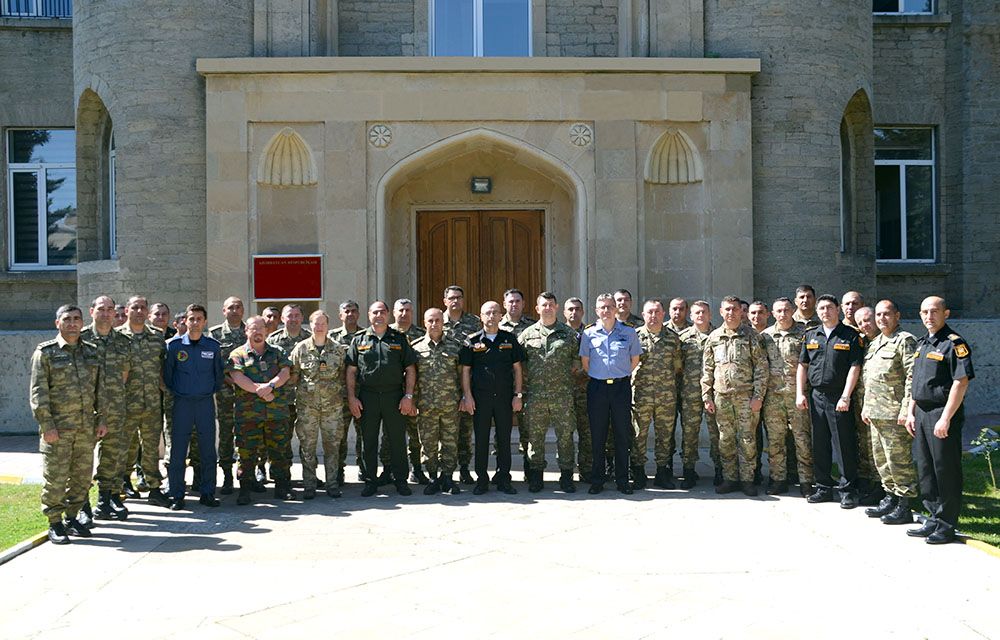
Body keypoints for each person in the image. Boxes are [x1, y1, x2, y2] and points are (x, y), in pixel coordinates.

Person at [30, 305, 106, 544]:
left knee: (82, 477)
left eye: (76, 319)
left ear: (82, 323)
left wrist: (101, 419)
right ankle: (55, 522)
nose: (72, 323)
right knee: (56, 478)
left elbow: (100, 390)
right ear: (58, 323)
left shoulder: (92, 352)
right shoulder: (46, 353)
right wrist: (47, 426)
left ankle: (72, 517)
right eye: (67, 319)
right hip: (58, 431)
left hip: (85, 429)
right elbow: (38, 394)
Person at [904, 296, 974, 545]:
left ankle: (947, 524)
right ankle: (933, 517)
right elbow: (916, 382)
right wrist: (911, 411)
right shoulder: (923, 343)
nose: (928, 316)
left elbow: (961, 381)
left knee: (945, 470)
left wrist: (945, 418)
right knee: (926, 469)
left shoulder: (953, 343)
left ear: (947, 313)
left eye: (934, 311)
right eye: (924, 312)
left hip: (941, 413)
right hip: (922, 413)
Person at [796, 294, 864, 508]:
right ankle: (823, 487)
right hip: (816, 396)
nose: (825, 311)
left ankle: (847, 490)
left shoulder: (850, 335)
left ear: (838, 310)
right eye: (822, 308)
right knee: (820, 443)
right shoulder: (810, 335)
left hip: (839, 397)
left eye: (829, 308)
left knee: (843, 444)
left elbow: (855, 366)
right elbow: (802, 366)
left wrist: (846, 395)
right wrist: (800, 393)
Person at [346, 301, 418, 497]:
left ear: (388, 315)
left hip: (393, 395)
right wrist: (352, 398)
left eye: (382, 312)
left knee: (397, 440)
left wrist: (408, 396)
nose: (379, 315)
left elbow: (410, 369)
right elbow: (351, 371)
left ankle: (401, 480)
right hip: (367, 396)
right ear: (369, 315)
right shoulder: (359, 340)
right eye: (375, 312)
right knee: (368, 440)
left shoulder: (399, 339)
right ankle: (370, 481)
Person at [701, 296, 768, 496]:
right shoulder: (713, 337)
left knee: (747, 439)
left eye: (735, 309)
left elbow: (761, 368)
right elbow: (707, 369)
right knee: (725, 439)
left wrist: (758, 396)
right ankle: (730, 478)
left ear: (741, 312)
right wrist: (707, 396)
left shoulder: (751, 336)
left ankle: (747, 480)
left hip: (746, 397)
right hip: (722, 397)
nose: (731, 313)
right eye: (727, 309)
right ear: (721, 312)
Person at [860, 299, 918, 525]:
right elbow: (869, 379)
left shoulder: (905, 341)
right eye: (878, 315)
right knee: (881, 460)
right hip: (875, 412)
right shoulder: (875, 343)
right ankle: (890, 497)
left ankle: (905, 505)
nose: (881, 319)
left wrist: (906, 410)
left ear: (897, 316)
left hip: (895, 414)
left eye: (886, 314)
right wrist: (866, 406)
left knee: (898, 460)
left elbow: (912, 378)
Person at [460, 300, 525, 495]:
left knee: (504, 439)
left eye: (495, 312)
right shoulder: (471, 341)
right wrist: (467, 397)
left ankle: (504, 478)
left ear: (500, 315)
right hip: (481, 399)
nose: (491, 316)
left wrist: (518, 395)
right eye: (487, 313)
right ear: (481, 316)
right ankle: (482, 479)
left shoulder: (509, 339)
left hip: (505, 398)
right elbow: (465, 371)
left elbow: (517, 369)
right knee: (481, 439)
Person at [228, 316, 295, 504]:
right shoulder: (238, 354)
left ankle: (282, 487)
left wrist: (271, 386)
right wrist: (262, 391)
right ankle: (245, 489)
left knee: (280, 452)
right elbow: (237, 378)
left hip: (276, 413)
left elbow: (285, 373)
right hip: (248, 414)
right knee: (246, 453)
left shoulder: (278, 352)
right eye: (253, 328)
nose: (257, 332)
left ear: (266, 331)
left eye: (261, 328)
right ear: (246, 331)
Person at [580, 293, 642, 495]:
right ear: (596, 311)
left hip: (620, 388)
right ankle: (597, 480)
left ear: (615, 309)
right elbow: (586, 364)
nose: (606, 310)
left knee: (622, 435)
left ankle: (622, 480)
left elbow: (634, 360)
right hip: (597, 388)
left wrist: (619, 374)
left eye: (609, 306)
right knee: (597, 435)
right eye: (602, 307)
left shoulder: (628, 332)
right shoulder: (589, 333)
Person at [163, 304, 224, 509]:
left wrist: (204, 391)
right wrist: (183, 391)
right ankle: (176, 495)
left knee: (208, 451)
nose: (195, 322)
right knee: (179, 452)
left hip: (205, 403)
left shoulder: (213, 347)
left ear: (205, 321)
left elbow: (218, 377)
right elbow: (168, 376)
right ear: (185, 321)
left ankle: (207, 493)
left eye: (199, 319)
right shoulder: (174, 346)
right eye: (191, 319)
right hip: (182, 403)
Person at [519, 292, 580, 493]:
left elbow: (577, 361)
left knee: (565, 438)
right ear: (537, 309)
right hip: (536, 396)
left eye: (551, 304)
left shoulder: (569, 334)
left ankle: (566, 477)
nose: (547, 308)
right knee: (535, 439)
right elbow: (519, 364)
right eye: (543, 305)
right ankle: (536, 477)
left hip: (562, 396)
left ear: (556, 307)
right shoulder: (527, 334)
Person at [82, 296, 132, 522]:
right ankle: (81, 504)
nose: (105, 313)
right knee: (82, 458)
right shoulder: (80, 338)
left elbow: (124, 375)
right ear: (92, 311)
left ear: (115, 313)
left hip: (114, 406)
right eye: (101, 309)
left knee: (113, 455)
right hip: (84, 409)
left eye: (110, 309)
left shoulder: (122, 341)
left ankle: (106, 499)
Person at [117, 296, 171, 507]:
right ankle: (121, 484)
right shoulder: (118, 336)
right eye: (135, 307)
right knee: (125, 447)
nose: (139, 311)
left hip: (151, 403)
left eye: (142, 308)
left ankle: (154, 488)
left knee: (150, 448)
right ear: (128, 310)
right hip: (126, 403)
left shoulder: (157, 337)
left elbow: (161, 369)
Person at [290, 310, 348, 499]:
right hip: (308, 408)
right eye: (316, 323)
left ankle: (332, 484)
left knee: (332, 447)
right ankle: (309, 485)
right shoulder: (301, 349)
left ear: (328, 326)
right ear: (310, 325)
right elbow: (294, 376)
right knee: (307, 447)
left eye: (323, 323)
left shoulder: (338, 349)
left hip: (332, 408)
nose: (319, 326)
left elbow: (343, 376)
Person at [761, 297, 813, 496]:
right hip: (773, 397)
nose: (782, 314)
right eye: (778, 311)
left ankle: (807, 481)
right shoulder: (765, 336)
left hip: (798, 395)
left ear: (792, 310)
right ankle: (778, 479)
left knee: (802, 440)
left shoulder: (804, 334)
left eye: (786, 310)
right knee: (775, 441)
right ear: (772, 314)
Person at [630, 299, 682, 490]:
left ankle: (662, 473)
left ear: (663, 314)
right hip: (641, 395)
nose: (653, 316)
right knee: (638, 435)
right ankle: (638, 473)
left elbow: (677, 367)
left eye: (657, 312)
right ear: (643, 315)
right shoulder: (634, 336)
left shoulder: (673, 338)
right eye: (649, 312)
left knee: (665, 436)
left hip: (665, 396)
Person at [411, 308, 464, 495]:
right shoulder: (416, 348)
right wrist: (412, 401)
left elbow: (462, 376)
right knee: (428, 443)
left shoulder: (455, 346)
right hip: (426, 406)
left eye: (438, 320)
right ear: (425, 323)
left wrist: (464, 397)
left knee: (450, 443)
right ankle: (433, 477)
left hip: (450, 405)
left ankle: (448, 477)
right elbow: (411, 377)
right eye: (430, 320)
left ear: (443, 322)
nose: (434, 324)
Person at [266, 304, 311, 485]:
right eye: (289, 316)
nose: (293, 319)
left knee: (307, 440)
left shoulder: (310, 338)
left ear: (302, 318)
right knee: (281, 441)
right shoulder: (273, 340)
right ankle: (281, 478)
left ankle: (309, 477)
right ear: (282, 319)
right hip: (281, 400)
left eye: (297, 315)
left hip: (305, 400)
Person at [442, 285, 482, 485]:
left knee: (465, 428)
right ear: (445, 301)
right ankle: (444, 470)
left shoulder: (474, 323)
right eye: (451, 298)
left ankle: (465, 468)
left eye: (459, 297)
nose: (455, 301)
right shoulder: (437, 321)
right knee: (445, 429)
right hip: (443, 383)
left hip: (468, 383)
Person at [678, 301, 720, 488]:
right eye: (696, 313)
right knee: (690, 433)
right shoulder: (683, 338)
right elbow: (677, 367)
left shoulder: (719, 336)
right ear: (691, 316)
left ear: (710, 315)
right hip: (690, 393)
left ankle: (720, 470)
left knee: (717, 433)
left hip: (715, 392)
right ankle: (688, 470)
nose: (700, 315)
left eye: (704, 312)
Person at [385, 298, 427, 484]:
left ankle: (416, 469)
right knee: (389, 434)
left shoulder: (421, 334)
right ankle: (388, 470)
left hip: (414, 393)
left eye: (408, 310)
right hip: (390, 392)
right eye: (400, 310)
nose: (404, 314)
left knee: (414, 434)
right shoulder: (386, 334)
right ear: (394, 313)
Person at [209, 296, 247, 494]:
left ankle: (247, 474)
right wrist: (230, 380)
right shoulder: (214, 334)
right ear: (224, 311)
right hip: (225, 393)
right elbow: (213, 365)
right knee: (226, 434)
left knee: (248, 434)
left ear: (243, 310)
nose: (234, 310)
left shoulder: (250, 331)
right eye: (230, 307)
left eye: (238, 307)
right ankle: (226, 476)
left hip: (248, 394)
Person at [331, 299, 365, 486]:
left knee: (364, 434)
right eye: (347, 311)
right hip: (339, 396)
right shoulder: (332, 337)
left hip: (363, 394)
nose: (350, 314)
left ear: (358, 314)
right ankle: (338, 471)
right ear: (340, 315)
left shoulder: (366, 336)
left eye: (353, 311)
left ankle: (364, 468)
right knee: (339, 435)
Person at [851, 304, 882, 504]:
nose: (864, 325)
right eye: (860, 322)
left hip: (883, 406)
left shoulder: (890, 342)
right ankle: (868, 485)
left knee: (880, 450)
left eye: (868, 320)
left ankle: (882, 489)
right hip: (861, 404)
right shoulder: (862, 342)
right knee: (865, 445)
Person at [563, 297, 593, 482]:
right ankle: (565, 470)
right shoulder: (559, 333)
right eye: (570, 309)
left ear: (583, 312)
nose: (574, 313)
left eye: (577, 309)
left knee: (587, 432)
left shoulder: (591, 333)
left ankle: (586, 469)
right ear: (564, 312)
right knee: (564, 433)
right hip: (563, 391)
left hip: (586, 391)